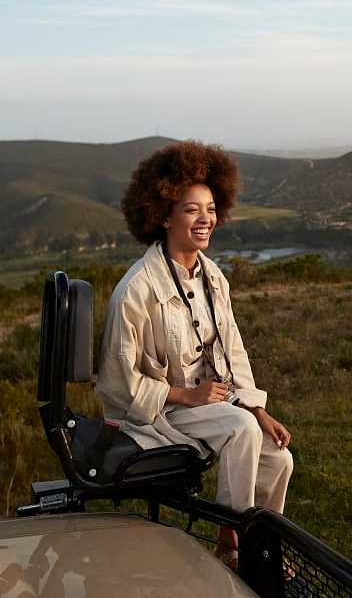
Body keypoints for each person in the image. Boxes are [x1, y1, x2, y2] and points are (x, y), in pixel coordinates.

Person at [96, 140, 293, 570]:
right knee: (240, 428)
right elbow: (116, 384)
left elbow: (234, 349)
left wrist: (258, 409)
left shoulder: (213, 277)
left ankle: (266, 543)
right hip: (161, 412)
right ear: (163, 215)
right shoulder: (136, 290)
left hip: (212, 404)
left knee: (280, 456)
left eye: (210, 208)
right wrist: (187, 397)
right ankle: (231, 543)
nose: (206, 219)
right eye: (190, 209)